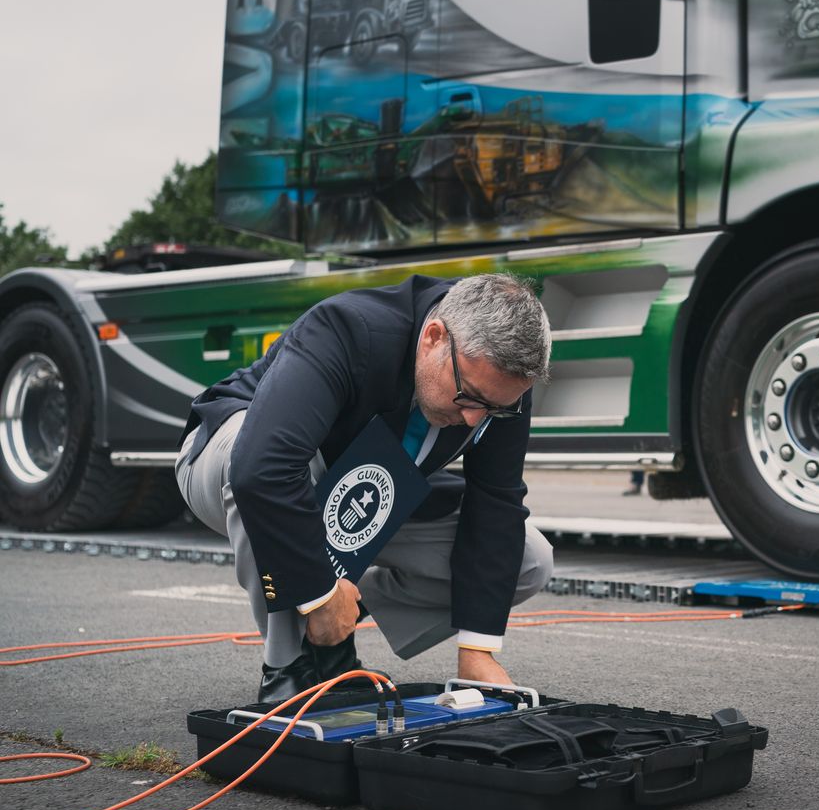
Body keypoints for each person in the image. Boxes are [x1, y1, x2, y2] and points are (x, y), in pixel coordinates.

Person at [175, 273, 553, 702]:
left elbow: (496, 501)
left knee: (530, 558)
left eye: (494, 410)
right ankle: (287, 666)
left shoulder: (497, 388)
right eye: (469, 398)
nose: (474, 419)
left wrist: (477, 651)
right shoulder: (349, 328)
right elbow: (261, 468)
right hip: (225, 463)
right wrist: (317, 595)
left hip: (364, 495)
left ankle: (342, 602)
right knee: (284, 464)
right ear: (433, 337)